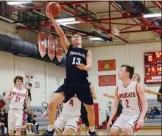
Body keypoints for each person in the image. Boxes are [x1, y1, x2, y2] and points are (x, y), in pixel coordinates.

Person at [43, 8, 97, 136]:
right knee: (51, 103)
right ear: (72, 40)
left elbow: (90, 65)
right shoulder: (69, 48)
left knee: (90, 108)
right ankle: (50, 129)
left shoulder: (86, 52)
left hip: (82, 83)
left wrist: (85, 67)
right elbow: (61, 34)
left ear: (81, 40)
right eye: (73, 36)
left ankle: (92, 131)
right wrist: (51, 18)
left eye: (77, 36)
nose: (75, 37)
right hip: (69, 83)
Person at [107, 65, 148, 136]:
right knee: (113, 131)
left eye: (121, 70)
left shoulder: (137, 85)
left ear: (127, 74)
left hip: (135, 114)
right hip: (124, 114)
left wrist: (141, 118)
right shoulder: (118, 88)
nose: (118, 72)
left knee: (127, 128)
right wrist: (110, 119)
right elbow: (114, 105)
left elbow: (144, 103)